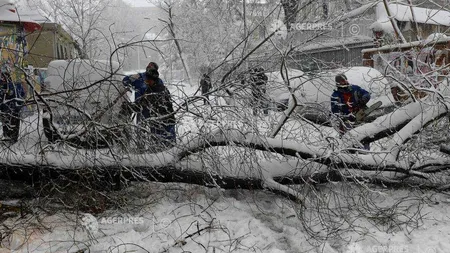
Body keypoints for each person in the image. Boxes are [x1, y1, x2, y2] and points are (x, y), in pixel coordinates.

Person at [122, 62, 176, 150]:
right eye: (148, 67)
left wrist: (132, 107)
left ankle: (162, 150)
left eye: (151, 67)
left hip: (154, 111)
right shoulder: (139, 78)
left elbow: (159, 100)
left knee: (158, 132)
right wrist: (129, 83)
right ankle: (141, 147)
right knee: (141, 129)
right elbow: (125, 81)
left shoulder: (158, 83)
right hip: (142, 109)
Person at [330, 74, 370, 150]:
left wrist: (363, 100)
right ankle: (350, 156)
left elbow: (366, 94)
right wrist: (345, 116)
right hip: (346, 121)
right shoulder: (335, 95)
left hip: (360, 116)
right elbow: (335, 111)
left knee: (364, 136)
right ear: (338, 83)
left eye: (345, 80)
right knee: (348, 140)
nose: (344, 82)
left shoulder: (354, 89)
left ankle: (366, 153)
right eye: (342, 81)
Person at [0, 69, 25, 143]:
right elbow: (22, 94)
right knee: (10, 124)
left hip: (10, 109)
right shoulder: (14, 85)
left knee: (11, 124)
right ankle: (10, 137)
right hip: (10, 110)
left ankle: (11, 138)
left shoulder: (10, 86)